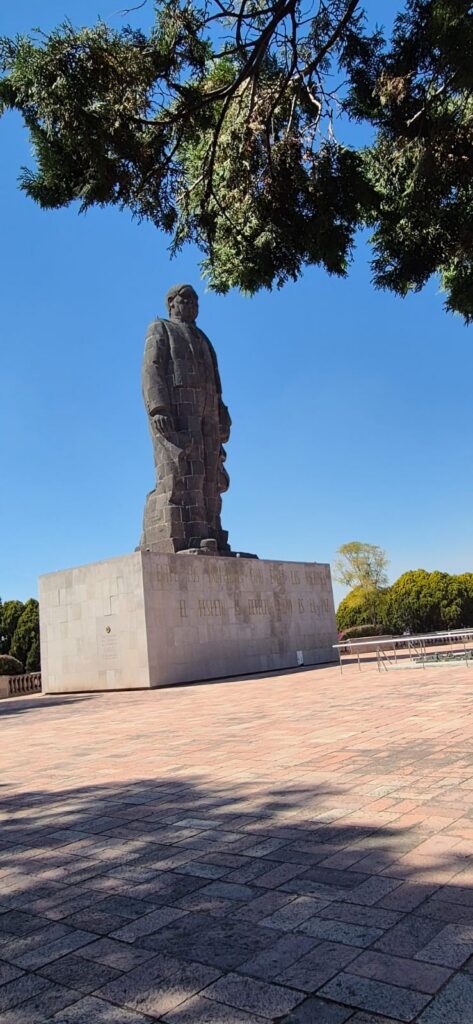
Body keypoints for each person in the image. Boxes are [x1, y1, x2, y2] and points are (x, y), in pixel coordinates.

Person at [140, 284, 231, 553]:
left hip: (208, 408)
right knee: (188, 468)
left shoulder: (203, 338)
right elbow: (151, 369)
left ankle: (214, 530)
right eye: (186, 299)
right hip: (179, 406)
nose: (192, 305)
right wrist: (158, 409)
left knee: (211, 469)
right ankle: (195, 534)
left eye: (195, 301)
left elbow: (216, 381)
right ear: (171, 303)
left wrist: (221, 409)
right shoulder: (161, 328)